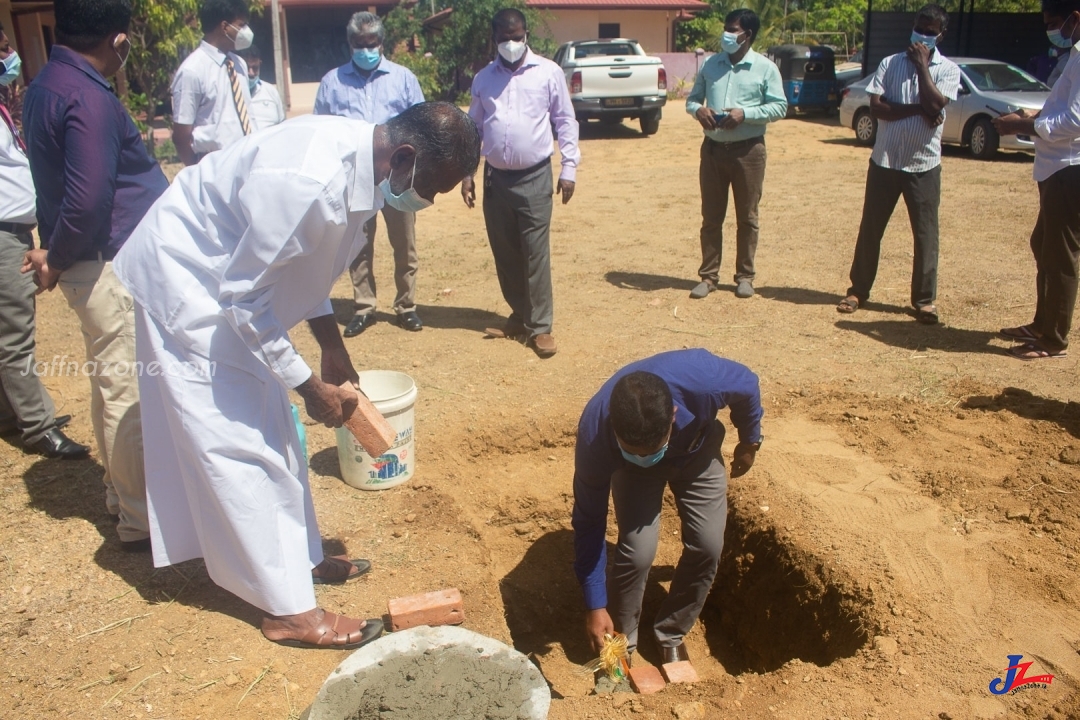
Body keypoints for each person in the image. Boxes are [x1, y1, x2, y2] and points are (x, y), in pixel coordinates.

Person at [111, 102, 480, 648]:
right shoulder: (309, 180)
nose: (429, 200)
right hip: (188, 279)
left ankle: (300, 559)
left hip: (235, 287)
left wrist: (329, 349)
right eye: (434, 187)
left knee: (274, 428)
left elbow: (305, 268)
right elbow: (242, 298)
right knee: (238, 442)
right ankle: (289, 612)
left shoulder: (364, 168)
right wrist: (309, 386)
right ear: (404, 156)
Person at [22, 0, 168, 550]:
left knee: (109, 381)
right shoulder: (88, 95)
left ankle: (120, 495)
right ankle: (138, 518)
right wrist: (55, 260)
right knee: (126, 388)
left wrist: (56, 255)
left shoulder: (46, 85)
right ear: (119, 40)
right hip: (108, 262)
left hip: (92, 263)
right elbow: (86, 202)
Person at [572, 349, 763, 663]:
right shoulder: (595, 434)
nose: (646, 458)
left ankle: (671, 632)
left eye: (652, 451)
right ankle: (622, 643)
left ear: (673, 415)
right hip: (631, 474)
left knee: (708, 545)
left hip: (695, 450)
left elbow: (748, 385)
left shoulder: (703, 378)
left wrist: (750, 440)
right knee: (637, 553)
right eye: (634, 450)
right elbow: (589, 520)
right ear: (615, 430)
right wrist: (594, 604)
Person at [462, 8, 580, 359]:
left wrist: (569, 168)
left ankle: (540, 327)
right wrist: (467, 173)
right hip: (495, 180)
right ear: (493, 39)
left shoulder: (549, 72)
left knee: (535, 254)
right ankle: (519, 315)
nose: (512, 43)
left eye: (517, 36)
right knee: (506, 252)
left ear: (526, 33)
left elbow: (565, 120)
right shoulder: (483, 78)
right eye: (505, 37)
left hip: (534, 177)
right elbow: (474, 130)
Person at [836, 4, 960, 325]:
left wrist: (922, 68)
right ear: (913, 25)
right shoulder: (889, 64)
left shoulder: (947, 70)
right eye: (920, 28)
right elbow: (878, 108)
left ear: (941, 36)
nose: (923, 36)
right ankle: (857, 290)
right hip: (885, 161)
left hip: (924, 165)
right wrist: (920, 110)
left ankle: (923, 300)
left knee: (925, 234)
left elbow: (937, 102)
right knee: (871, 229)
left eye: (931, 33)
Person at [0, 22, 87, 459]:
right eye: (1, 51)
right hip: (1, 233)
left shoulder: (3, 107)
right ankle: (37, 425)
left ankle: (11, 413)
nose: (9, 57)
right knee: (14, 333)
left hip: (13, 228)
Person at [314, 12, 425, 336]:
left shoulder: (403, 78)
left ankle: (407, 305)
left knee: (404, 243)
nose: (367, 50)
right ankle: (364, 306)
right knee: (357, 245)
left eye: (372, 43)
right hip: (354, 179)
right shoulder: (332, 83)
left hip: (397, 178)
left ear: (381, 42)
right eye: (361, 44)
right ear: (351, 43)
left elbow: (421, 125)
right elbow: (319, 131)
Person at [993, 0, 1080, 360]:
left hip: (1069, 167)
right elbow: (1064, 107)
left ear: (1075, 18)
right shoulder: (1074, 55)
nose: (1053, 31)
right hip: (1055, 166)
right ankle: (1042, 324)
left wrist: (1024, 126)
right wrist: (1036, 113)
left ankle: (1053, 339)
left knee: (1060, 254)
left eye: (1056, 23)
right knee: (1042, 243)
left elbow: (1075, 120)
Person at [685, 9, 787, 301]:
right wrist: (698, 110)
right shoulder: (711, 65)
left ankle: (745, 276)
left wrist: (746, 114)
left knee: (748, 218)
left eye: (733, 31)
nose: (727, 35)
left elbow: (779, 107)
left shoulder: (765, 69)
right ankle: (708, 276)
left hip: (748, 152)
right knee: (711, 217)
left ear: (748, 36)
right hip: (714, 151)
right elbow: (693, 100)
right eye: (726, 29)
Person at [171, 0, 253, 165]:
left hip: (246, 159)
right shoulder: (192, 70)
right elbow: (181, 135)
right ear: (225, 27)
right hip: (214, 164)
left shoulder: (239, 64)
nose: (247, 31)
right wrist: (196, 172)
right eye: (241, 25)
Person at [239, 44, 284, 131]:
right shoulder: (228, 93)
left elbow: (281, 125)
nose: (251, 73)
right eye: (247, 67)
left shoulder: (271, 91)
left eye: (255, 68)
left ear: (260, 64)